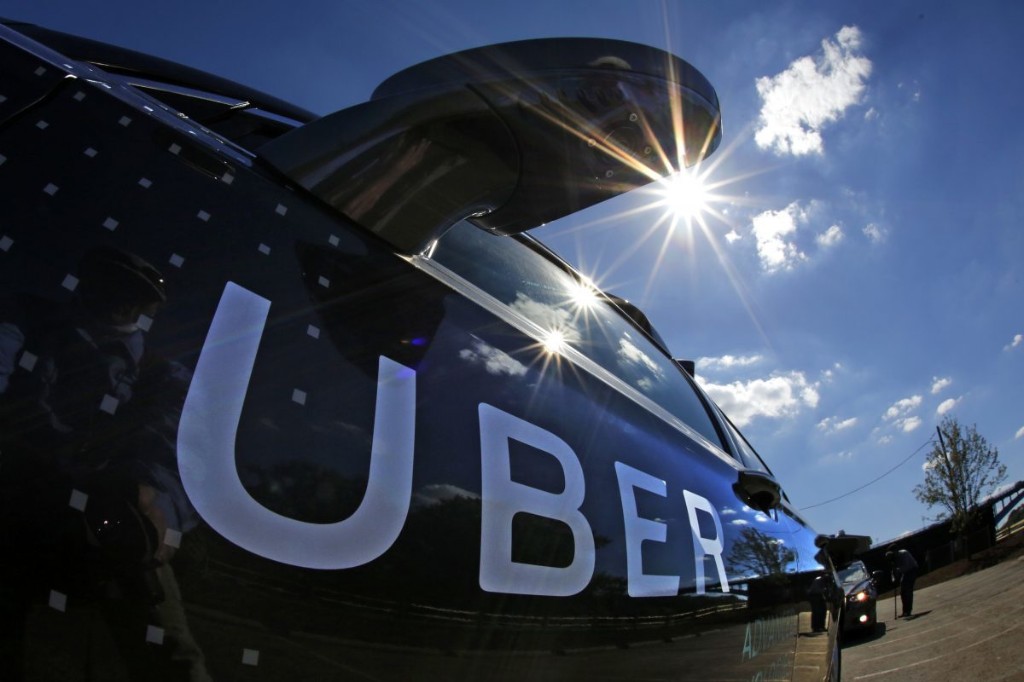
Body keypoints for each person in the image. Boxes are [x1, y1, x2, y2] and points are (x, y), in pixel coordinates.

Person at [0, 248, 210, 681]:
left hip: (112, 518)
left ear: (147, 307)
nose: (119, 298)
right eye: (109, 283)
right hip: (14, 503)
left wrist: (153, 507)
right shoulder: (24, 320)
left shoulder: (163, 374)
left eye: (134, 293)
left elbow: (173, 445)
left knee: (172, 657)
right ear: (86, 282)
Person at [886, 548, 919, 618]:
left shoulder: (904, 553)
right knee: (902, 592)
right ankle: (905, 611)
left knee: (908, 590)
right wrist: (894, 578)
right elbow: (893, 570)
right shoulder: (893, 558)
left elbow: (906, 567)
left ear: (895, 552)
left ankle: (908, 611)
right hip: (905, 572)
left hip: (912, 569)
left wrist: (898, 570)